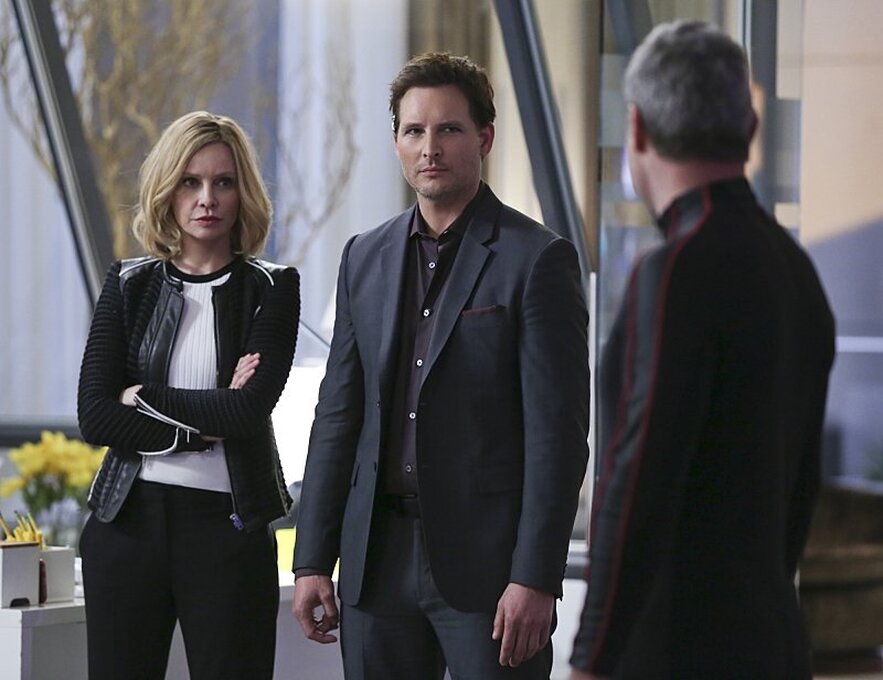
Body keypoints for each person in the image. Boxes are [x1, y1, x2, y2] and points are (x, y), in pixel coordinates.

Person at [292, 52, 590, 679]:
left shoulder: (538, 260)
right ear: (397, 143)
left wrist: (536, 577)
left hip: (490, 570)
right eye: (414, 130)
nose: (430, 147)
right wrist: (312, 558)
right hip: (376, 563)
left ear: (484, 138)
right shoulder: (363, 257)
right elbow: (338, 414)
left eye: (449, 129)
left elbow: (558, 438)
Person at [568, 21, 835, 680]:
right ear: (750, 127)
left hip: (677, 646)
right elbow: (800, 487)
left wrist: (590, 659)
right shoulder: (795, 268)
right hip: (771, 639)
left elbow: (638, 479)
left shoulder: (676, 270)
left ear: (635, 129)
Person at [77, 110, 300, 680]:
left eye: (223, 182)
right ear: (167, 190)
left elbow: (246, 411)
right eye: (190, 182)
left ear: (243, 192)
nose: (207, 199)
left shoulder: (272, 288)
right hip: (127, 524)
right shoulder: (128, 283)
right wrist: (202, 425)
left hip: (228, 529)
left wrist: (141, 395)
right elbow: (96, 416)